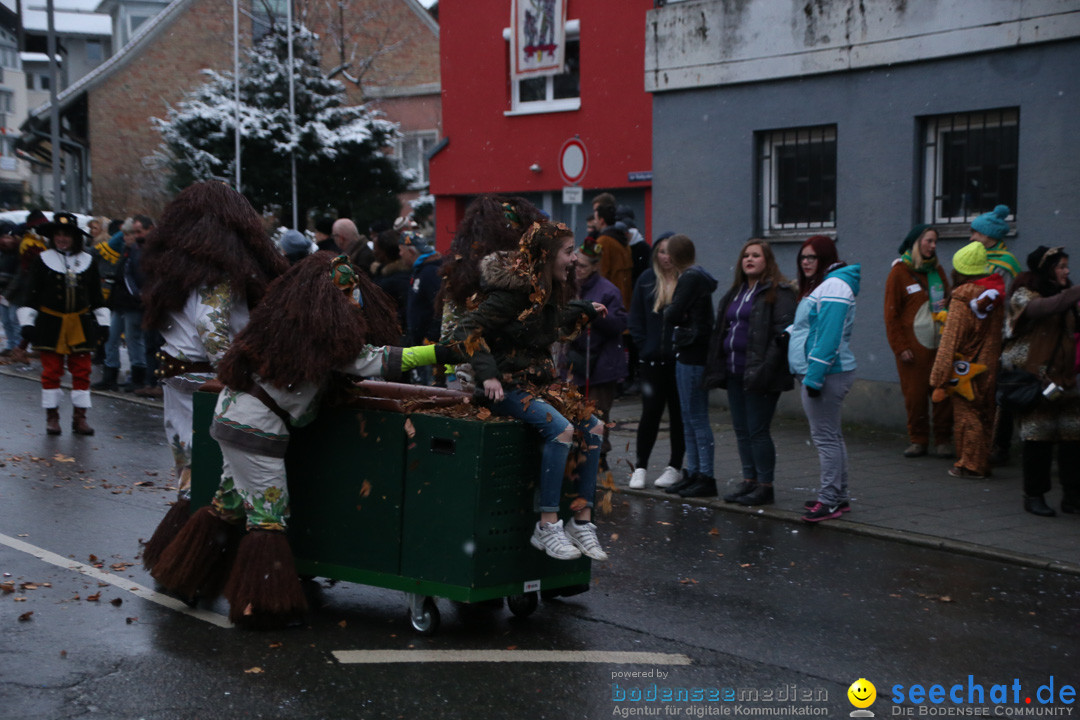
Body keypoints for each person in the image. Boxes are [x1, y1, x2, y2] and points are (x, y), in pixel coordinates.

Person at [149, 252, 450, 626]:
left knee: (229, 503)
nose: (351, 300)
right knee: (268, 515)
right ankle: (260, 605)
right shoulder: (319, 336)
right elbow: (373, 360)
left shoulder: (283, 325)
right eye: (345, 292)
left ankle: (185, 576)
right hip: (255, 429)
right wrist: (439, 353)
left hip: (235, 419)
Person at [139, 180, 288, 571]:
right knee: (217, 462)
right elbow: (213, 328)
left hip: (178, 373)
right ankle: (199, 550)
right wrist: (237, 373)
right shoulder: (219, 274)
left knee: (188, 458)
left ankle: (184, 548)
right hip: (210, 379)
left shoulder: (174, 269)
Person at [452, 220, 609, 562]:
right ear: (548, 255)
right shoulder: (513, 293)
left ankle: (581, 521)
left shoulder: (545, 289)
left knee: (594, 426)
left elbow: (544, 322)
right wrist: (489, 375)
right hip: (505, 388)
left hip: (535, 385)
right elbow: (465, 328)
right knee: (562, 431)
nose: (574, 259)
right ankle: (547, 524)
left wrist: (584, 310)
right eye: (569, 252)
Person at [705, 239, 796, 507]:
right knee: (742, 430)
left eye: (756, 255)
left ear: (767, 260)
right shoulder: (737, 291)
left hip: (762, 374)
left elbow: (783, 335)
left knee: (758, 430)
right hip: (735, 371)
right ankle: (750, 481)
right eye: (746, 255)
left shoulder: (780, 292)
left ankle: (765, 486)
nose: (749, 259)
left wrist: (765, 368)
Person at [1000, 246, 1080, 517]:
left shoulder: (1066, 295)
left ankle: (1072, 498)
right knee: (1038, 440)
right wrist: (1074, 293)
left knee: (1073, 438)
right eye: (1061, 266)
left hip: (1065, 380)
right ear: (1047, 269)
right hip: (1034, 380)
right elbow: (1043, 309)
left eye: (1067, 266)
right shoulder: (1024, 292)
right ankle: (1034, 496)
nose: (1066, 271)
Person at [438, 196, 547, 392]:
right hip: (473, 375)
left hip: (513, 374)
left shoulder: (526, 270)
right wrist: (475, 367)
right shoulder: (464, 274)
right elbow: (454, 330)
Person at [788, 235, 860, 522]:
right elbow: (813, 326)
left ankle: (829, 500)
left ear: (826, 258)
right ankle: (838, 497)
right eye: (803, 257)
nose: (806, 262)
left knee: (826, 439)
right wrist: (790, 333)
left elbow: (828, 338)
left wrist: (814, 379)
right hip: (826, 371)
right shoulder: (827, 284)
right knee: (832, 436)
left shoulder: (833, 286)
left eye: (812, 257)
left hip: (827, 373)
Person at [16, 213, 109, 435]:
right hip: (50, 325)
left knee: (82, 371)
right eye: (58, 234)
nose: (62, 238)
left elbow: (97, 296)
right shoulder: (43, 260)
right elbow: (31, 295)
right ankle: (52, 417)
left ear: (76, 237)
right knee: (51, 371)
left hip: (80, 323)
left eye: (66, 234)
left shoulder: (88, 261)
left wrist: (103, 323)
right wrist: (28, 324)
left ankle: (80, 418)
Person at [928, 242, 1005, 479]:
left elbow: (950, 340)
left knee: (966, 415)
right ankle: (983, 460)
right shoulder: (993, 296)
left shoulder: (961, 299)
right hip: (989, 363)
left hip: (965, 367)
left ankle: (970, 465)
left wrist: (938, 376)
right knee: (985, 412)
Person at [884, 224, 953, 458]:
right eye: (929, 241)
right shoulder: (899, 273)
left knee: (942, 394)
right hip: (913, 349)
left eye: (935, 242)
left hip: (939, 345)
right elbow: (891, 314)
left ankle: (943, 440)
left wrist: (949, 302)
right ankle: (918, 440)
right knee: (915, 396)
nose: (933, 246)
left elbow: (950, 297)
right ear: (916, 243)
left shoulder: (938, 271)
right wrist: (900, 347)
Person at [661, 234, 719, 498]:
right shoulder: (698, 277)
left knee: (694, 416)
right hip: (692, 350)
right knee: (689, 416)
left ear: (672, 257)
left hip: (691, 351)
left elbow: (672, 313)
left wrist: (673, 312)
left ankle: (704, 475)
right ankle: (695, 473)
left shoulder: (689, 278)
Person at [627, 233, 684, 489]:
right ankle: (640, 467)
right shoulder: (647, 279)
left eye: (671, 251)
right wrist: (644, 347)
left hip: (679, 362)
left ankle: (675, 466)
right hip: (651, 361)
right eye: (661, 251)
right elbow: (636, 317)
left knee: (678, 416)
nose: (666, 256)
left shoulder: (688, 281)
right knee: (649, 414)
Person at [563, 240, 628, 469]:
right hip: (574, 361)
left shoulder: (608, 290)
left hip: (601, 364)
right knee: (572, 410)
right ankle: (576, 454)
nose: (577, 269)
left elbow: (619, 324)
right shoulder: (567, 286)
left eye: (582, 266)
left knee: (598, 413)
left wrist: (594, 314)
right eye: (575, 264)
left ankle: (599, 456)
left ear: (594, 267)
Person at [94, 217, 150, 392]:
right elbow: (114, 241)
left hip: (132, 302)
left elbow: (135, 278)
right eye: (125, 234)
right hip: (120, 301)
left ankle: (137, 376)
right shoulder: (128, 249)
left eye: (130, 234)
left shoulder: (139, 251)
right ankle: (111, 373)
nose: (125, 237)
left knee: (134, 340)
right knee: (111, 337)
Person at [399, 230, 443, 385]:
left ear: (411, 251)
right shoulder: (420, 271)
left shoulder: (429, 273)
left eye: (401, 250)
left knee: (429, 389)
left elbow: (440, 306)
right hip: (418, 344)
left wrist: (431, 337)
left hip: (427, 347)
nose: (400, 254)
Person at [594, 203, 633, 311]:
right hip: (624, 299)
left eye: (596, 218)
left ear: (601, 220)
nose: (595, 222)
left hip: (610, 301)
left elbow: (602, 272)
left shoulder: (603, 242)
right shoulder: (622, 240)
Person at [0, 223, 21, 354]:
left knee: (15, 319)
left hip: (14, 292)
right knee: (6, 320)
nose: (7, 240)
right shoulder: (2, 254)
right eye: (4, 237)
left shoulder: (18, 253)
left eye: (9, 237)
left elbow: (18, 275)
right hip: (1, 292)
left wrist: (8, 292)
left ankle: (17, 347)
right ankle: (10, 345)